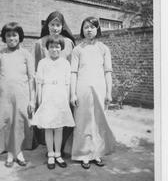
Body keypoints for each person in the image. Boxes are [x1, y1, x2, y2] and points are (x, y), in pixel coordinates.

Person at [69, 16, 116, 169]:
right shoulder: (77, 49)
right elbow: (73, 73)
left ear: (97, 29)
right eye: (86, 27)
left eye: (92, 27)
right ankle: (83, 155)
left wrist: (109, 92)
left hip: (99, 90)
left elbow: (108, 72)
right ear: (82, 30)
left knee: (98, 122)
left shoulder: (104, 49)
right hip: (82, 90)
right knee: (82, 122)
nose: (89, 30)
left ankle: (96, 154)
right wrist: (73, 94)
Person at [0, 22, 36, 167]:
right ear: (4, 37)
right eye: (8, 35)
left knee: (21, 123)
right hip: (4, 97)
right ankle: (10, 154)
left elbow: (31, 78)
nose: (11, 38)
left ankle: (20, 153)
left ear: (20, 36)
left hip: (23, 95)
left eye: (14, 35)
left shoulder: (26, 54)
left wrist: (32, 100)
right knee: (7, 123)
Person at [31, 35, 75, 169]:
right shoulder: (43, 62)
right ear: (47, 48)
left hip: (61, 97)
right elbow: (39, 83)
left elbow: (68, 83)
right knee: (49, 127)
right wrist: (40, 100)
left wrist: (66, 100)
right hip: (48, 96)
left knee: (59, 127)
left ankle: (58, 154)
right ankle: (50, 154)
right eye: (51, 47)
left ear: (61, 48)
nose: (54, 49)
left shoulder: (65, 63)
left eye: (57, 47)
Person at [33, 11, 75, 150]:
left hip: (63, 89)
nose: (55, 28)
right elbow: (36, 67)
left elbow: (72, 67)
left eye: (58, 24)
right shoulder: (40, 43)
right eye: (52, 24)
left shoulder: (68, 42)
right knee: (48, 119)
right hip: (47, 90)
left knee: (62, 119)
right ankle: (49, 149)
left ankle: (61, 147)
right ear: (47, 26)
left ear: (63, 26)